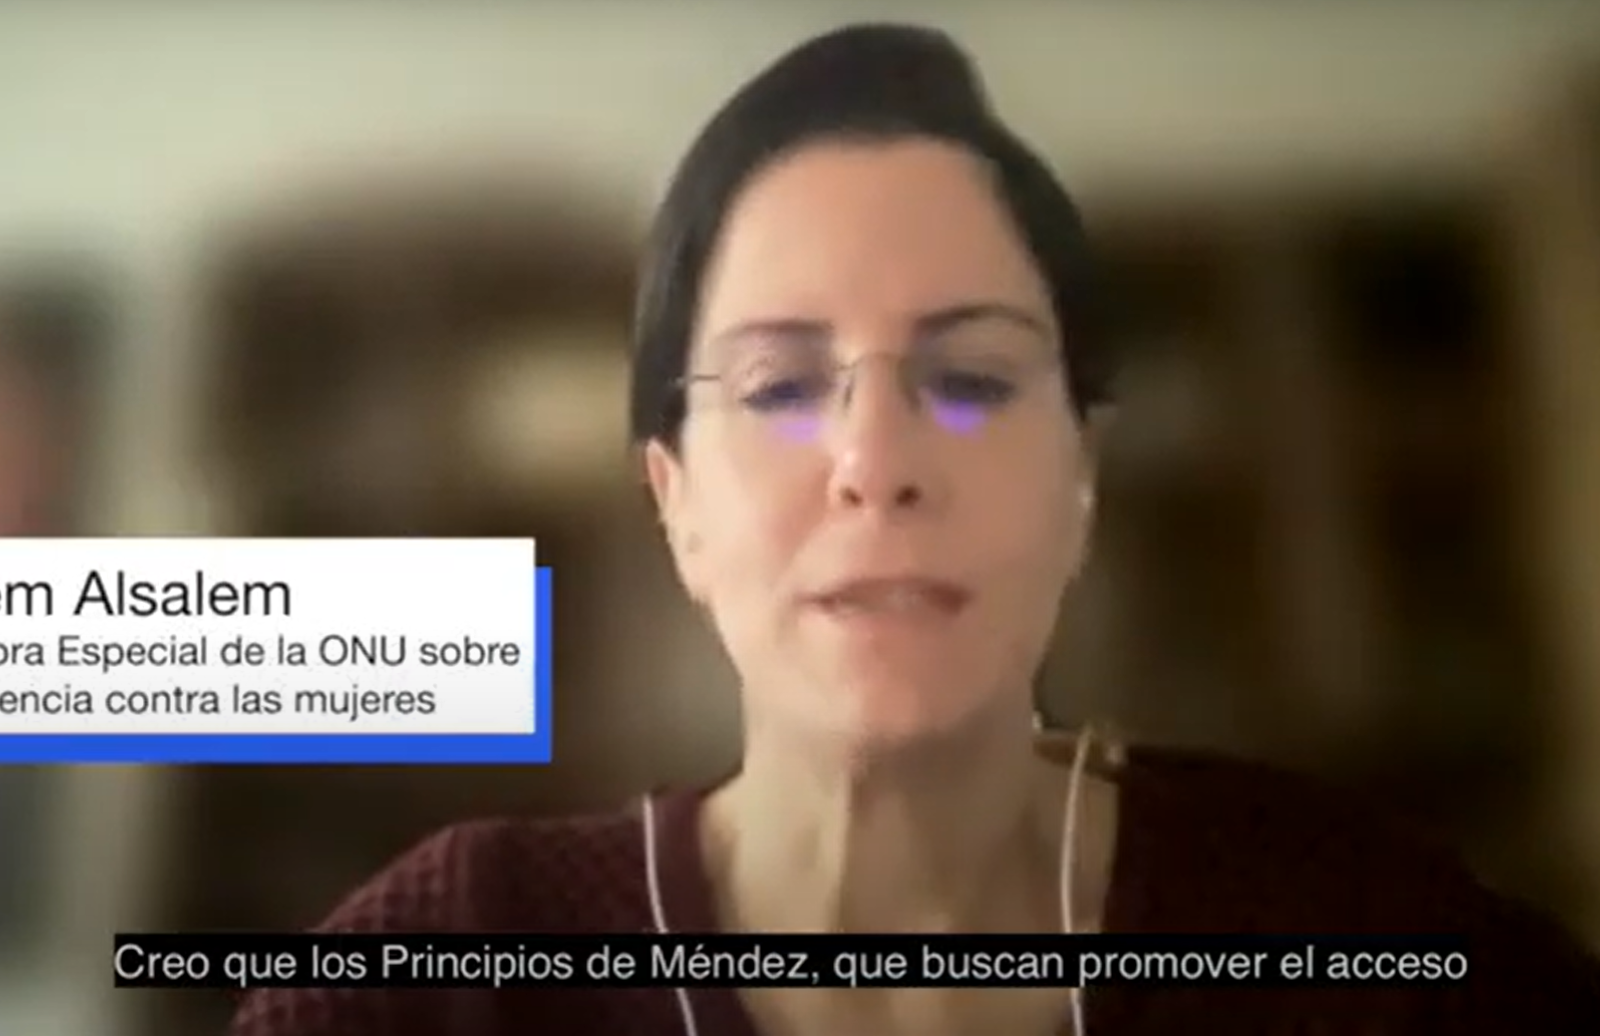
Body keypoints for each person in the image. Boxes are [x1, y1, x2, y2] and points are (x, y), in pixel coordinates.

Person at [230, 22, 1600, 1035]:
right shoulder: (451, 971)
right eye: (779, 387)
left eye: (973, 380)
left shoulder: (1353, 936)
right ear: (677, 502)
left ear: (1082, 476)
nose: (875, 464)